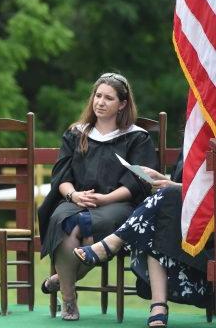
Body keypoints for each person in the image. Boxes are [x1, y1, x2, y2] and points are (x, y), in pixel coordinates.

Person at [37, 72, 159, 321]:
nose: (100, 102)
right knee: (63, 221)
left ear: (122, 104)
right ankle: (69, 301)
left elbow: (139, 182)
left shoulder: (136, 137)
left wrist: (106, 199)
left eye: (109, 98)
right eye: (98, 95)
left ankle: (63, 278)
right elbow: (61, 176)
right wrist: (73, 195)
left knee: (95, 223)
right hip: (76, 200)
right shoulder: (76, 133)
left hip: (117, 204)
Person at [74, 153, 211, 327]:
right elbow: (189, 184)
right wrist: (163, 179)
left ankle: (112, 244)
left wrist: (175, 187)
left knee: (162, 208)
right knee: (158, 220)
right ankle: (158, 307)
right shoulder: (194, 134)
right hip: (184, 218)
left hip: (207, 226)